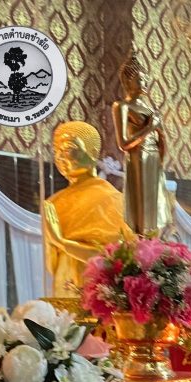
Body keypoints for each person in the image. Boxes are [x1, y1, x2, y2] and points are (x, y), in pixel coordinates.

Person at [44, 121, 134, 296]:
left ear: (92, 152)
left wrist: (62, 242)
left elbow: (114, 259)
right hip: (63, 289)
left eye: (68, 149)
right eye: (57, 151)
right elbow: (51, 262)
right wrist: (55, 244)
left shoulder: (110, 198)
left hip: (97, 292)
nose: (60, 157)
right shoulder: (55, 201)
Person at [114, 53, 172, 236]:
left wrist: (161, 153)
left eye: (145, 79)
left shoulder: (149, 109)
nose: (144, 83)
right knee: (141, 203)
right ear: (128, 81)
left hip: (154, 156)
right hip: (138, 156)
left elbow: (161, 138)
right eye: (139, 79)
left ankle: (155, 240)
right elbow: (123, 144)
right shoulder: (122, 106)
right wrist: (149, 128)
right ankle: (142, 239)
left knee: (155, 202)